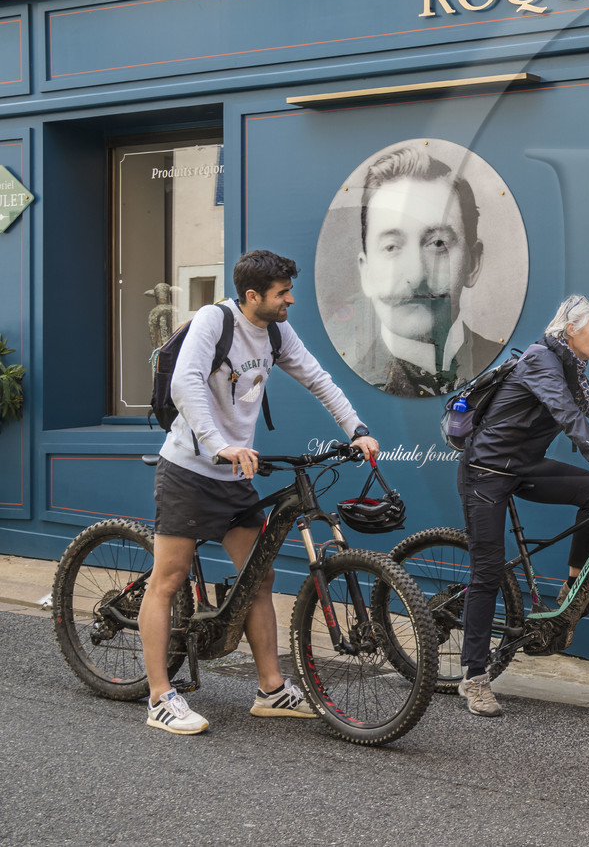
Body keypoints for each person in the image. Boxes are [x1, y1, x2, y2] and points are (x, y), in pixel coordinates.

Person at [138, 250, 380, 735]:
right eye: (282, 293)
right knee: (170, 578)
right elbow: (186, 382)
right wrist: (219, 444)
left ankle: (271, 688)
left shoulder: (276, 332)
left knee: (259, 577)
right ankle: (160, 696)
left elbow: (317, 378)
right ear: (253, 295)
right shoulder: (215, 321)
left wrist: (356, 428)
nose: (290, 300)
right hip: (189, 468)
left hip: (235, 475)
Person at [454, 295, 589, 717]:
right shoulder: (541, 360)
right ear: (571, 329)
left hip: (524, 466)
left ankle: (574, 589)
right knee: (487, 572)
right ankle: (475, 677)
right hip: (486, 472)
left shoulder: (571, 368)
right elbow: (566, 412)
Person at [352, 145, 502, 397]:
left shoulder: (509, 369)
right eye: (391, 247)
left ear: (472, 264)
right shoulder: (345, 387)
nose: (415, 275)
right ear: (366, 274)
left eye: (438, 244)